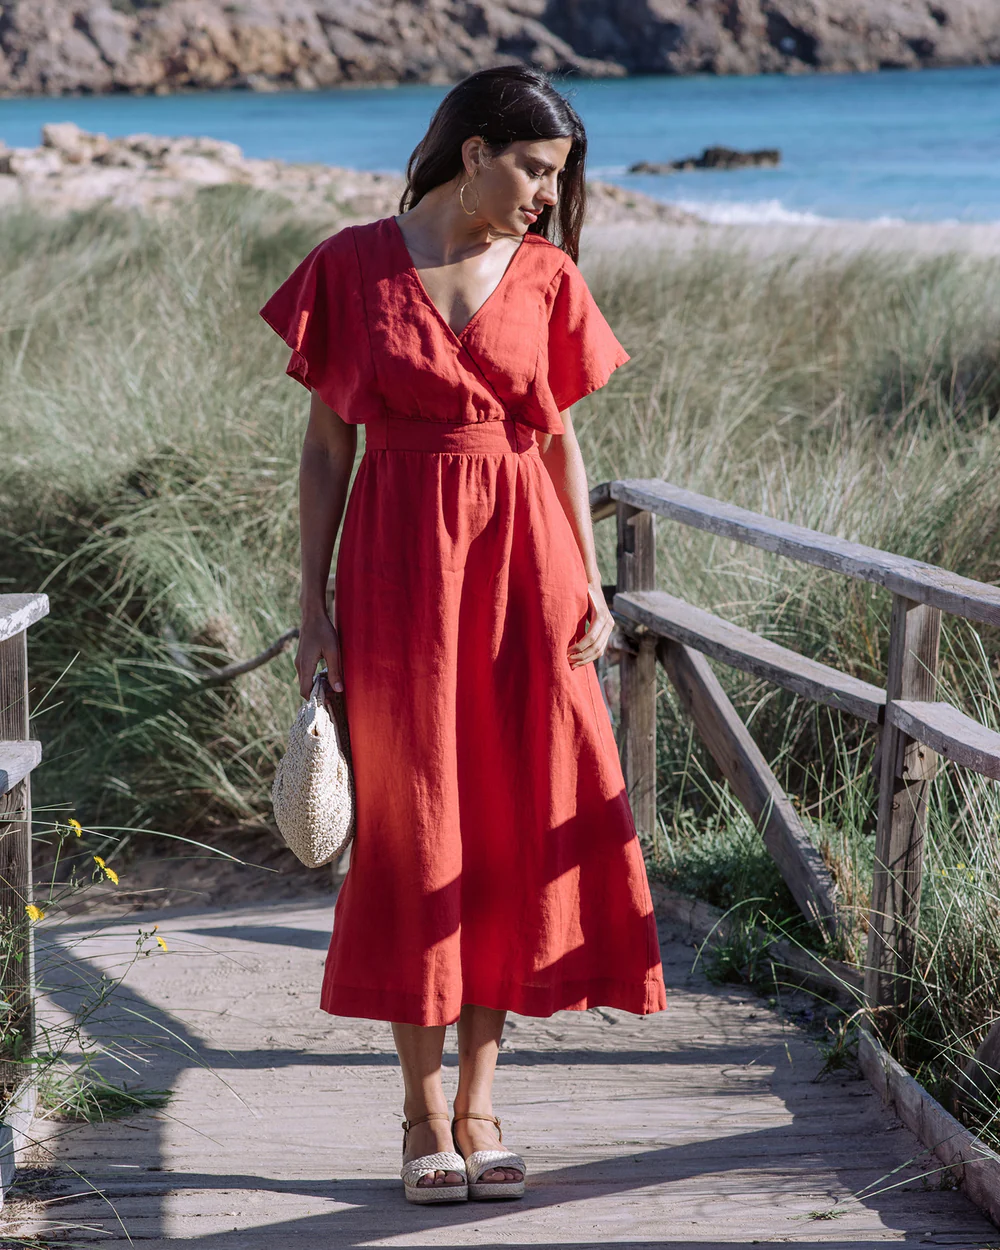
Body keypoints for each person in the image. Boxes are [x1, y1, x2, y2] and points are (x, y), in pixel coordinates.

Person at [259, 64, 667, 1207]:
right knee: (412, 828)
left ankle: (481, 1101)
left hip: (525, 569)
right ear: (474, 150)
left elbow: (554, 439)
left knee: (506, 823)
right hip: (394, 573)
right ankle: (417, 1109)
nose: (546, 195)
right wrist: (313, 603)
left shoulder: (546, 274)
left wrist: (585, 577)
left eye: (556, 178)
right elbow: (326, 450)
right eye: (534, 169)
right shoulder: (349, 263)